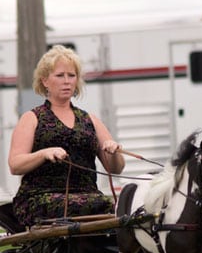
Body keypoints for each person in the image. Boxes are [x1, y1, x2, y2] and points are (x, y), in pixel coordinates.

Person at [8, 45, 125, 227]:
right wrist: (44, 154)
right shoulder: (32, 118)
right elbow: (15, 165)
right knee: (78, 206)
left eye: (71, 76)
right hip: (40, 197)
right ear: (45, 81)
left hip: (88, 196)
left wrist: (114, 151)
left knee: (115, 208)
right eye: (60, 75)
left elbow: (116, 169)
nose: (67, 81)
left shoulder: (90, 120)